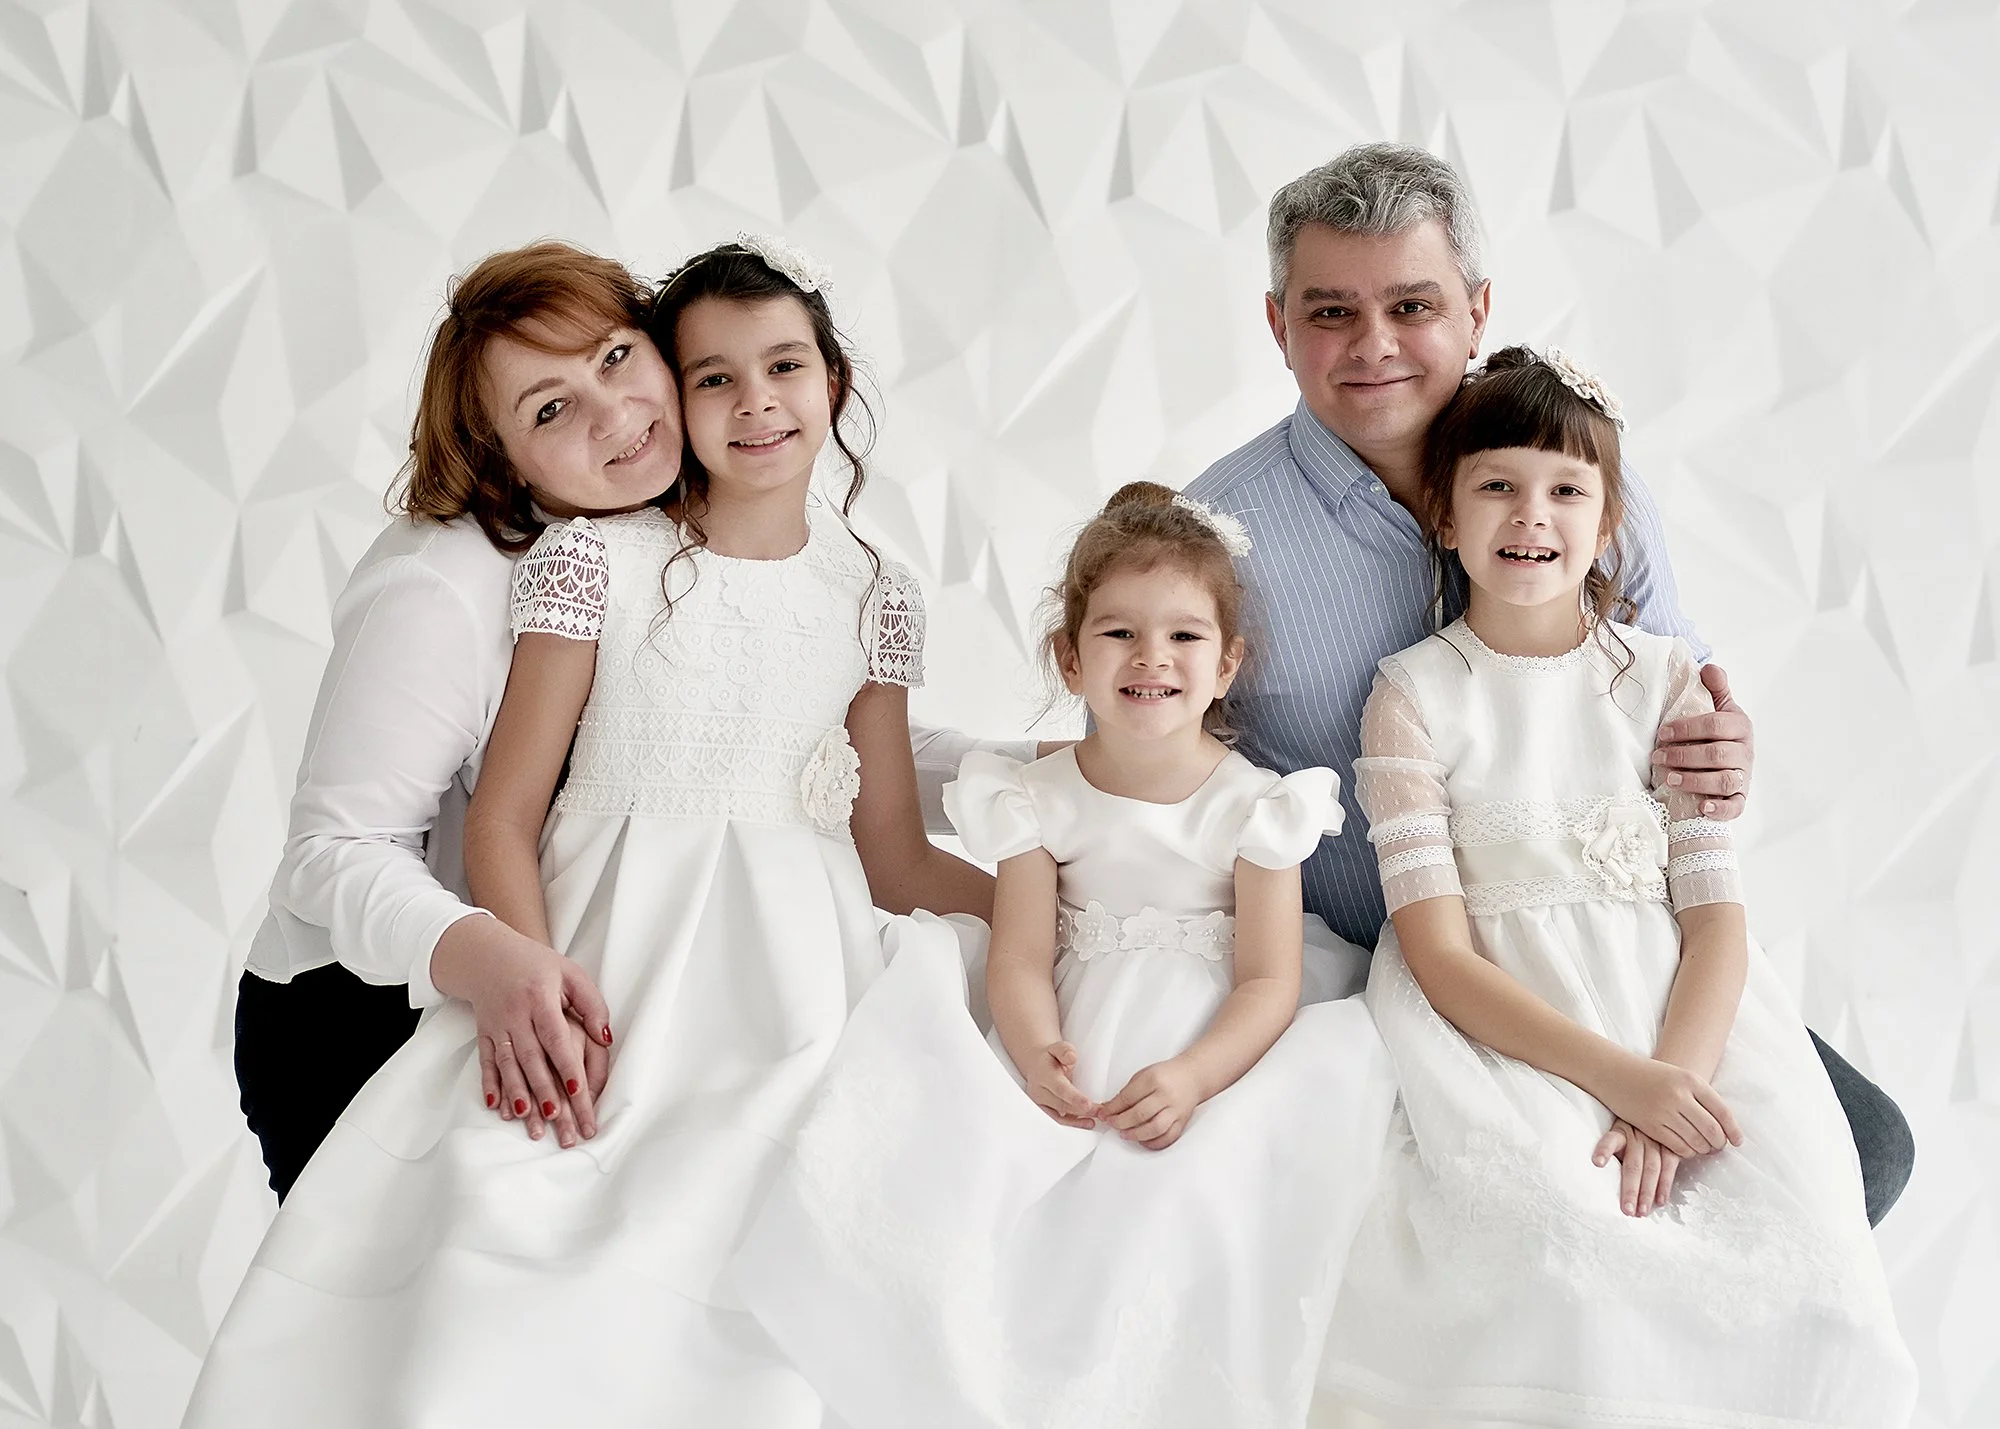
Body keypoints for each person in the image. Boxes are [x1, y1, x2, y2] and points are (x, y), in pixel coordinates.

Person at [185, 237, 991, 1426]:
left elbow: (799, 747)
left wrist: (1066, 818)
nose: (619, 412)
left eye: (623, 358)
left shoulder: (796, 563)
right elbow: (336, 852)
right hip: (359, 999)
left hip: (665, 967)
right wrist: (516, 964)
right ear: (497, 457)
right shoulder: (457, 581)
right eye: (553, 406)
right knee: (460, 1312)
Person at [1181, 142, 1912, 1223]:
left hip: (1616, 947)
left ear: (1476, 310)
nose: (1372, 345)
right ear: (1276, 324)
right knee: (1533, 1231)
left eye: (1412, 305)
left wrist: (1721, 742)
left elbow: (1671, 703)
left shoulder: (1588, 487)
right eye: (1328, 311)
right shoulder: (1215, 540)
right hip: (1386, 974)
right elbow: (1146, 765)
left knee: (1861, 1157)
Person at [1311, 348, 1915, 1428]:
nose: (1528, 514)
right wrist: (1615, 1082)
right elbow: (1439, 953)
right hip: (1505, 1025)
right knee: (1563, 1262)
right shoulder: (1411, 696)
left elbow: (1718, 924)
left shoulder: (1666, 681)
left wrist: (1667, 1079)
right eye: (1494, 484)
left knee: (1803, 1263)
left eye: (1564, 489)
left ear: (1606, 519)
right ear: (1443, 516)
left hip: (1676, 1007)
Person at [733, 483, 1398, 1429]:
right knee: (1010, 1201)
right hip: (1075, 1012)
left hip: (1215, 1036)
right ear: (1070, 657)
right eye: (1119, 633)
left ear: (1227, 662)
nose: (1151, 659)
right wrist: (1036, 1040)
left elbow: (1269, 979)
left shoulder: (1258, 805)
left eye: (1184, 637)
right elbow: (1020, 951)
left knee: (1186, 1201)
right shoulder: (1033, 799)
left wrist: (1194, 1075)